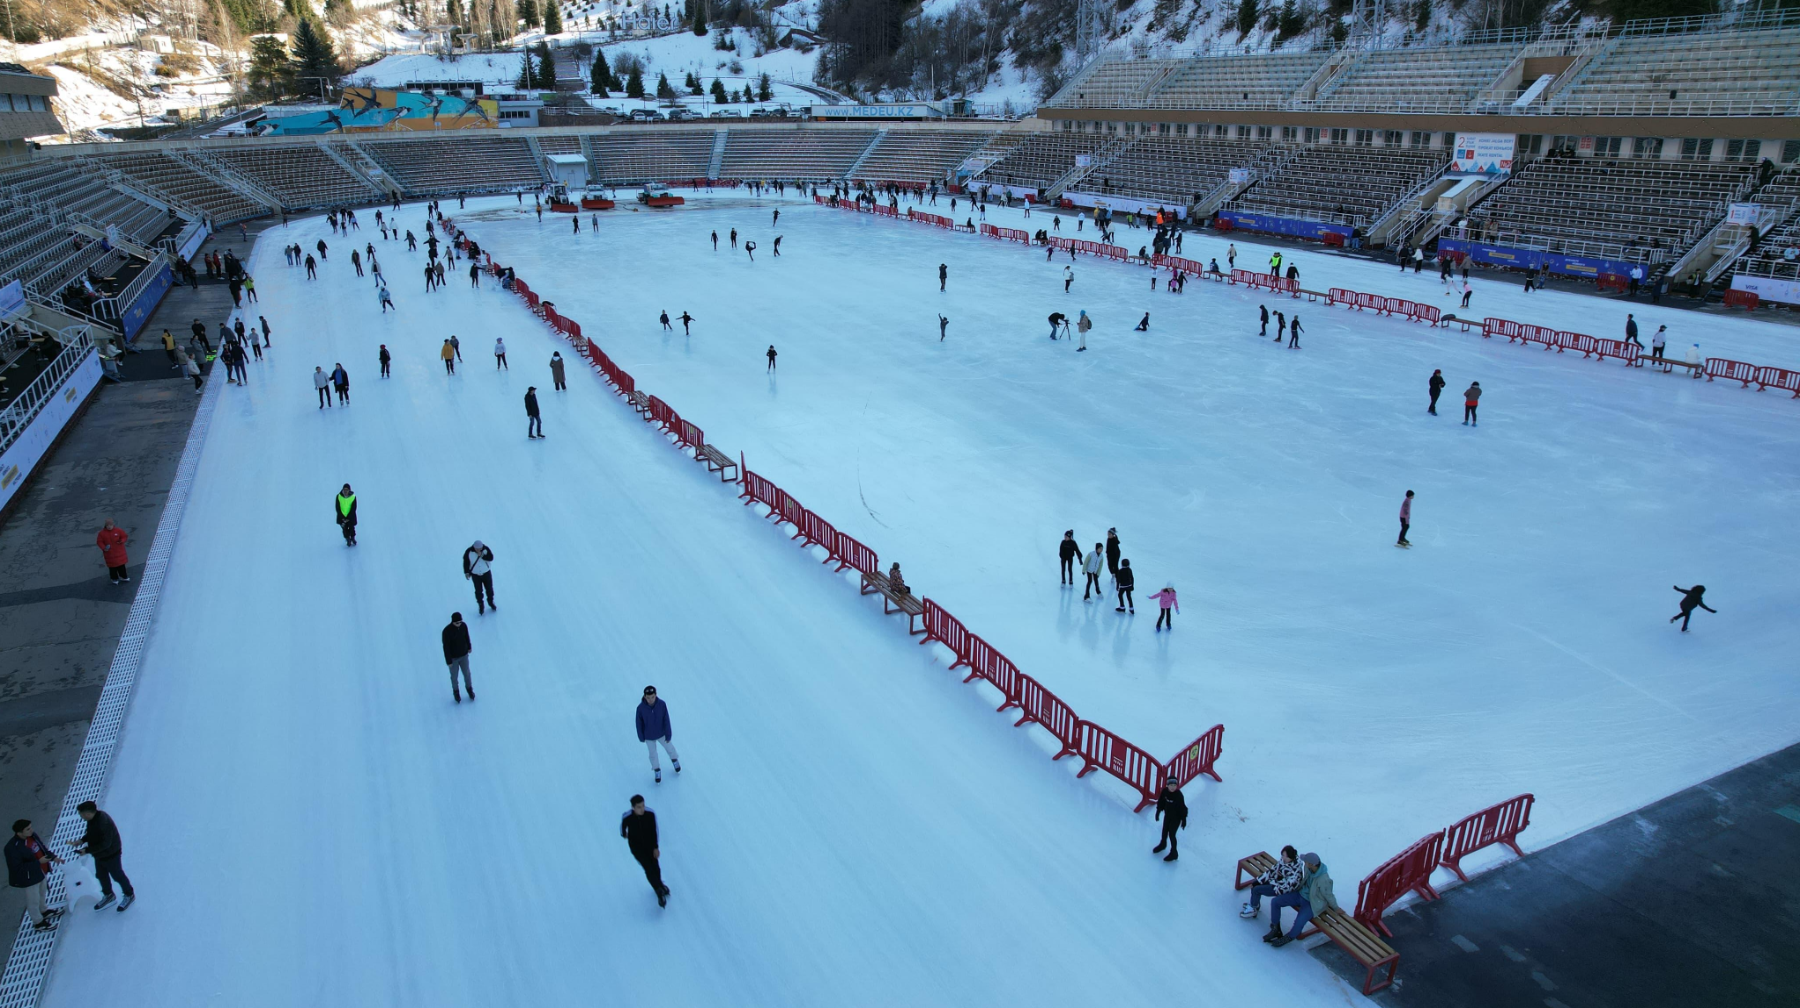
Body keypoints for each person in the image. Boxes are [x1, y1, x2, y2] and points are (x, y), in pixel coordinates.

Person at [1268, 852, 1339, 946]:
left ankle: (1290, 937)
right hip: (1300, 894)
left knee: (1299, 921)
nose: (1304, 863)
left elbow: (1328, 895)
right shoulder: (1308, 868)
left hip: (1312, 903)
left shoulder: (1324, 879)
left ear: (1311, 864)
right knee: (1275, 902)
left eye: (1306, 861)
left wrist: (1336, 908)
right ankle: (1275, 928)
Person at [73, 801, 133, 912]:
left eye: (82, 815)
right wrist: (82, 840)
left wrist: (87, 850)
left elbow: (106, 844)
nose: (81, 817)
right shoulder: (93, 819)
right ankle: (108, 895)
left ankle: (129, 894)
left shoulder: (103, 823)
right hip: (100, 854)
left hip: (111, 854)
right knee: (101, 875)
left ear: (87, 814)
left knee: (117, 875)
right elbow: (91, 834)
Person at [6, 819, 64, 931]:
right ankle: (38, 922)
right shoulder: (12, 848)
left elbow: (42, 849)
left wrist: (53, 857)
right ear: (19, 833)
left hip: (40, 871)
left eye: (31, 827)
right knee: (33, 900)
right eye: (28, 829)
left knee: (42, 893)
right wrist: (38, 862)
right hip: (29, 877)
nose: (31, 830)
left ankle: (44, 910)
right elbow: (17, 868)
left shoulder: (32, 836)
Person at [621, 795, 670, 907]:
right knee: (648, 868)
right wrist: (624, 834)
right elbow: (622, 827)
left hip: (650, 846)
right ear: (633, 808)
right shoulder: (627, 817)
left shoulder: (650, 814)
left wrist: (656, 847)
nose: (642, 809)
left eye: (643, 805)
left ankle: (660, 884)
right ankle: (658, 890)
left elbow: (655, 831)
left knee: (655, 866)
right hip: (637, 848)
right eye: (639, 807)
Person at [1239, 845, 1304, 920]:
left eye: (1284, 856)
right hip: (1276, 881)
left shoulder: (1296, 871)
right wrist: (1258, 881)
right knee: (1255, 884)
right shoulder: (1284, 861)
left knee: (1257, 890)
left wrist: (1278, 879)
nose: (1282, 857)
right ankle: (1255, 904)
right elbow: (1272, 871)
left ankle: (1253, 909)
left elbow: (1287, 887)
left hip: (1280, 889)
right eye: (1282, 855)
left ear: (1290, 857)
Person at [636, 686, 680, 784]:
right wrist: (641, 736)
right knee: (653, 754)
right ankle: (656, 770)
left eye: (652, 697)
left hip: (661, 733)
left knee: (669, 747)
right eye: (648, 698)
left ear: (656, 695)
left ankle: (674, 760)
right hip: (648, 736)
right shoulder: (640, 708)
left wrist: (668, 734)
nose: (650, 700)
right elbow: (639, 723)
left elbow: (666, 720)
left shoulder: (661, 705)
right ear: (644, 697)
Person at [1151, 777, 1186, 861]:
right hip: (1167, 815)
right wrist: (1158, 811)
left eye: (1174, 785)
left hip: (1176, 818)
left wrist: (1183, 819)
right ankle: (1163, 844)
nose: (1173, 787)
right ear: (1167, 785)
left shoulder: (1179, 795)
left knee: (1172, 834)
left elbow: (1182, 808)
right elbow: (1161, 801)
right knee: (1164, 831)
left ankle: (1174, 853)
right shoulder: (1165, 792)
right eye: (1171, 785)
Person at [442, 612, 474, 702]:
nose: (459, 624)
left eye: (460, 622)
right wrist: (449, 661)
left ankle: (469, 689)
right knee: (454, 676)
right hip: (453, 658)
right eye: (457, 623)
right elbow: (446, 647)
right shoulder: (446, 631)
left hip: (464, 655)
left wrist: (469, 646)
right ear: (452, 622)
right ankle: (456, 692)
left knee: (467, 673)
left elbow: (466, 636)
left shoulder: (463, 626)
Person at [464, 541, 496, 614]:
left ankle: (491, 602)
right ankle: (481, 604)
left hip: (486, 573)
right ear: (474, 547)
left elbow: (491, 558)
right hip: (475, 575)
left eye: (480, 548)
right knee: (478, 591)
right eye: (477, 549)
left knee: (489, 588)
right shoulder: (469, 551)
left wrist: (482, 555)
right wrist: (467, 572)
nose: (479, 550)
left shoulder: (486, 549)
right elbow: (466, 562)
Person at [96, 518, 129, 583]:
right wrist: (104, 548)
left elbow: (124, 536)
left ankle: (123, 576)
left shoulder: (118, 530)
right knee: (112, 567)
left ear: (113, 525)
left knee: (121, 566)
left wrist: (121, 541)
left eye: (110, 525)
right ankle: (114, 578)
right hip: (109, 554)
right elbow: (99, 542)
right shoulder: (102, 533)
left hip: (119, 552)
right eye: (108, 525)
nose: (109, 526)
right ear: (105, 525)